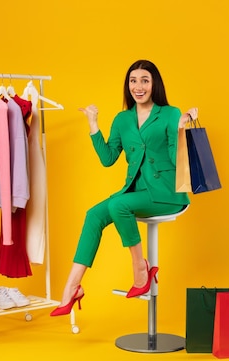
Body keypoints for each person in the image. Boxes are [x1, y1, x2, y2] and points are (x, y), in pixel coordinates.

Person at [50, 59, 197, 317]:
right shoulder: (122, 119)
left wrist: (180, 126)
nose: (138, 86)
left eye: (144, 80)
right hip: (136, 191)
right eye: (133, 81)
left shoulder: (170, 113)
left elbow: (177, 161)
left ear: (154, 84)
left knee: (119, 205)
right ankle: (72, 287)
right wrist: (93, 124)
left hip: (167, 192)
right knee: (94, 215)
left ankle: (140, 269)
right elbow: (108, 159)